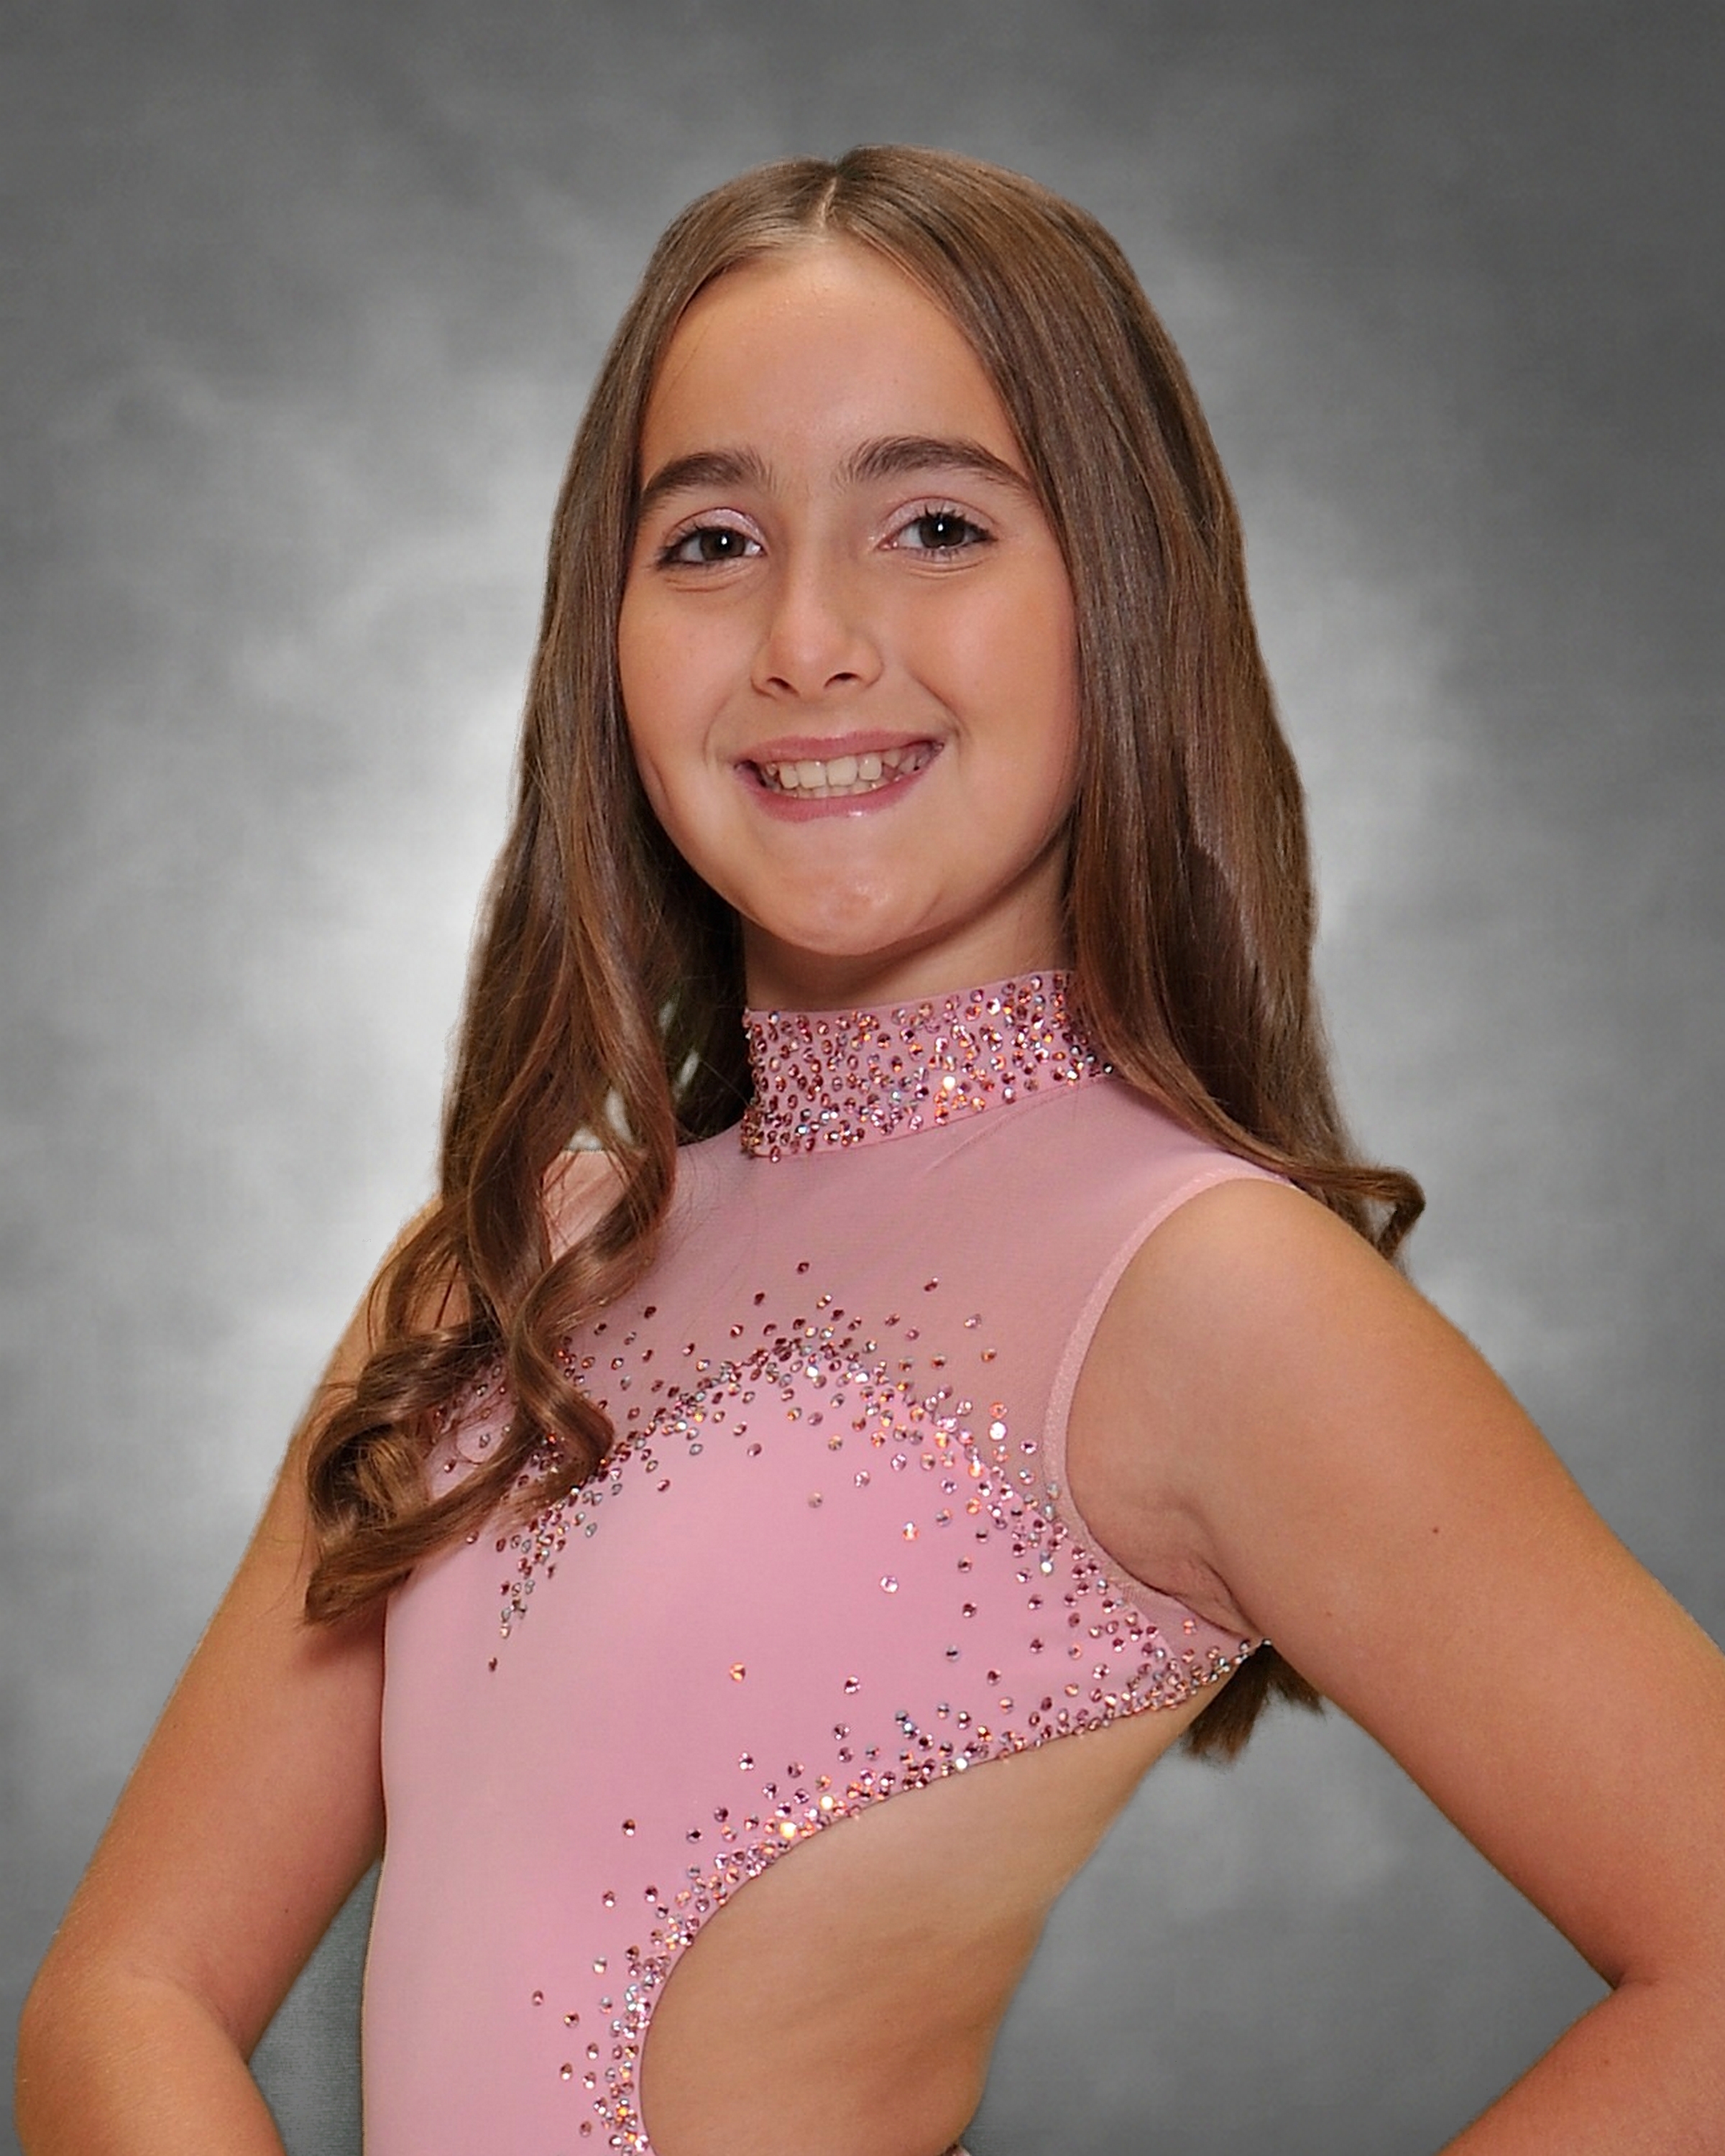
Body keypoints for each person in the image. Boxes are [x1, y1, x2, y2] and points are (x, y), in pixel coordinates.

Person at [17, 145, 1725, 2156]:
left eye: (934, 524)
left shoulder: (1203, 1292)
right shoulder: (499, 1272)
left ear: (1120, 595)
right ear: (605, 632)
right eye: (711, 540)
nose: (809, 638)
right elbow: (127, 1997)